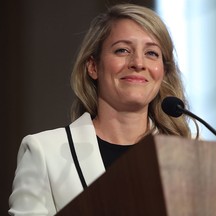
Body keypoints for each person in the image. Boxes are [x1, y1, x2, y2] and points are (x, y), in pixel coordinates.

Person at [8, 3, 199, 215]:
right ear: (93, 66)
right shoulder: (44, 151)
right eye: (122, 50)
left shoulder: (188, 155)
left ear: (162, 71)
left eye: (151, 53)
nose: (138, 62)